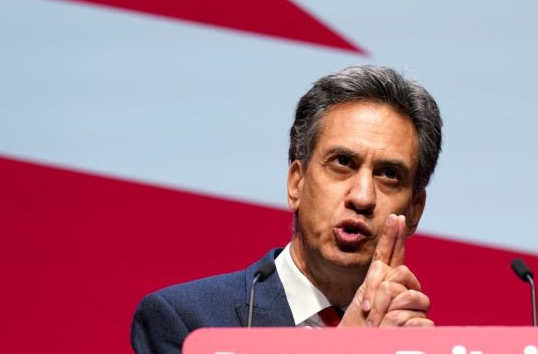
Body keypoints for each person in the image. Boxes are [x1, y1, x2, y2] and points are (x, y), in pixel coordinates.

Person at [131, 65, 443, 354]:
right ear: (297, 183)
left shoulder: (418, 345)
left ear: (414, 212)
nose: (362, 198)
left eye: (389, 174)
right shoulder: (188, 323)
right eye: (342, 163)